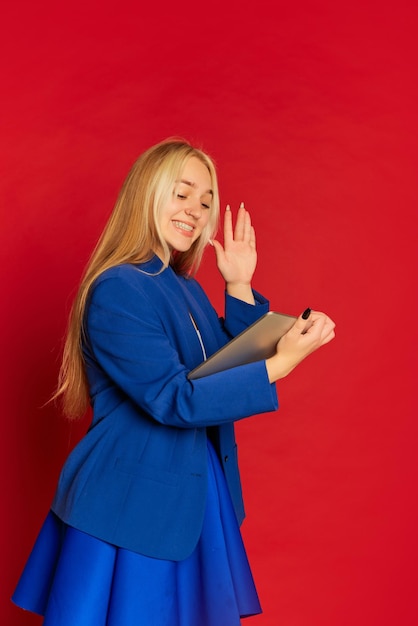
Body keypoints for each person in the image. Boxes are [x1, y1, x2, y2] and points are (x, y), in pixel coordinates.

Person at [12, 138, 335, 626]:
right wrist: (277, 366)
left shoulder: (182, 287)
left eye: (207, 201)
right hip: (132, 506)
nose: (197, 211)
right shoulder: (119, 287)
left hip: (190, 493)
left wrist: (240, 286)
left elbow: (217, 374)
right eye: (183, 193)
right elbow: (176, 398)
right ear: (147, 193)